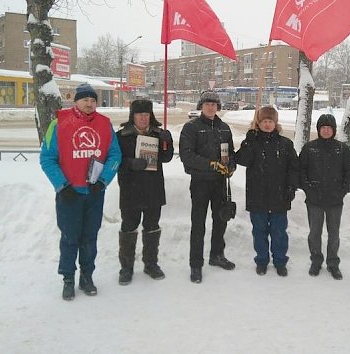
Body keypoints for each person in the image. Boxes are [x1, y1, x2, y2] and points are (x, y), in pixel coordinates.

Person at [40, 83, 122, 301]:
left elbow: (115, 155)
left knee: (89, 237)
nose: (89, 103)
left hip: (94, 193)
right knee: (69, 238)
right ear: (76, 100)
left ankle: (87, 277)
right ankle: (68, 279)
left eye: (93, 100)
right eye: (85, 99)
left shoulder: (105, 124)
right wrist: (61, 185)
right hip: (69, 194)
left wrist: (103, 181)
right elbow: (47, 159)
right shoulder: (58, 124)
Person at [179, 90, 236, 284]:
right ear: (201, 106)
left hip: (220, 182)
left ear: (218, 107)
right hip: (200, 182)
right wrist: (210, 164)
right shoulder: (191, 127)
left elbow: (231, 153)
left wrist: (231, 166)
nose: (211, 107)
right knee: (198, 223)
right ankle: (196, 264)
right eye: (207, 103)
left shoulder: (224, 128)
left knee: (221, 220)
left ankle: (216, 255)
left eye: (214, 104)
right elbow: (186, 155)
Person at [236, 106, 299, 277]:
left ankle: (280, 261)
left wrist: (291, 187)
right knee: (259, 232)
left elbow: (294, 168)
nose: (267, 124)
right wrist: (248, 140)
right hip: (257, 196)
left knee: (279, 233)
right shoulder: (252, 142)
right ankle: (262, 261)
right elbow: (241, 160)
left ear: (275, 123)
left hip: (280, 196)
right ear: (259, 123)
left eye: (270, 121)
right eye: (264, 121)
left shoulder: (285, 144)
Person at [116, 99, 173, 285]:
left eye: (147, 114)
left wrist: (167, 142)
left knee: (152, 227)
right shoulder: (121, 136)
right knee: (129, 228)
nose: (143, 118)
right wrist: (130, 163)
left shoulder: (158, 134)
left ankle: (151, 264)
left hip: (153, 190)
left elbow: (166, 158)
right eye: (140, 114)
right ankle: (126, 267)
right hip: (130, 190)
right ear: (132, 116)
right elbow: (114, 161)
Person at [299, 114, 350, 280]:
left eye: (328, 128)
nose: (325, 130)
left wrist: (343, 190)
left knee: (334, 233)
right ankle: (316, 260)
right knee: (314, 232)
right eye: (322, 127)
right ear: (318, 130)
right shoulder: (309, 148)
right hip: (314, 200)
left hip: (335, 200)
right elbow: (301, 171)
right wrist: (308, 188)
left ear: (333, 130)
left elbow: (349, 172)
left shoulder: (341, 149)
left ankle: (333, 263)